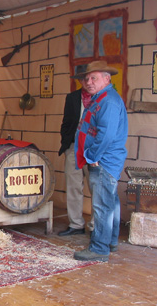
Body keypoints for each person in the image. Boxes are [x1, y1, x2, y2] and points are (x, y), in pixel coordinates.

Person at [73, 60, 128, 262]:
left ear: (107, 78)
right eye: (86, 78)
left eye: (94, 77)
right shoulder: (101, 98)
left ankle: (99, 248)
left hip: (103, 161)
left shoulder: (109, 101)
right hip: (105, 160)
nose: (88, 81)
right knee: (110, 203)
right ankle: (110, 241)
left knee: (102, 205)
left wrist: (93, 156)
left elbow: (106, 134)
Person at [58, 65, 93, 236]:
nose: (87, 82)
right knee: (73, 186)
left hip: (94, 149)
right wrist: (66, 143)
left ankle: (96, 226)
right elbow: (66, 123)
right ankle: (76, 224)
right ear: (79, 81)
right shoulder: (72, 98)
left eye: (90, 78)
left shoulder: (102, 98)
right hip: (74, 146)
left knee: (95, 188)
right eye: (83, 79)